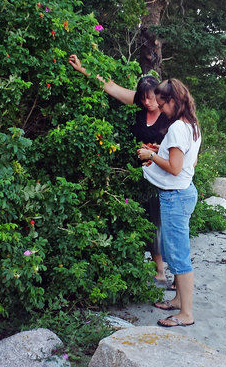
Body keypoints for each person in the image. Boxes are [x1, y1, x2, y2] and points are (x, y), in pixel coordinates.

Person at [68, 54, 173, 289]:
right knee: (146, 221)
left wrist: (156, 152)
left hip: (164, 176)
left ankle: (169, 273)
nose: (148, 103)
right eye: (144, 99)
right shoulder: (139, 103)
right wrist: (82, 69)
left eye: (151, 98)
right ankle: (156, 270)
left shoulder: (170, 116)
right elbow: (110, 86)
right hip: (140, 176)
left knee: (162, 223)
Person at [137, 78, 201, 328]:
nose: (160, 110)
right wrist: (161, 150)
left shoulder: (176, 128)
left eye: (162, 105)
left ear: (173, 101)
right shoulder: (191, 124)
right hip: (185, 191)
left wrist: (151, 155)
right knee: (176, 250)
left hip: (175, 195)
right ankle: (177, 300)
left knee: (178, 255)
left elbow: (175, 168)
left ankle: (186, 314)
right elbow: (188, 162)